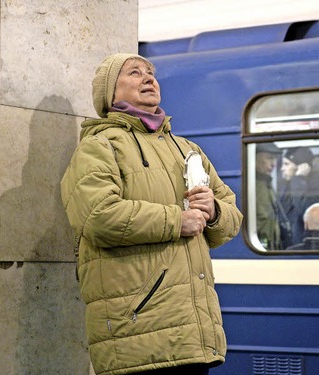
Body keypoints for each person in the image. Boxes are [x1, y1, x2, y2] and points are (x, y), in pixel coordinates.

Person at [60, 53, 243, 375]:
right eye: (134, 73)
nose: (148, 78)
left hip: (192, 332)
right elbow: (98, 217)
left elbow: (231, 217)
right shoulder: (99, 147)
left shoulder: (187, 149)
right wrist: (177, 220)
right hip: (137, 331)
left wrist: (213, 211)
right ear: (110, 94)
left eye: (150, 73)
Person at [279, 147, 319, 247]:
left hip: (303, 246)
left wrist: (298, 179)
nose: (282, 168)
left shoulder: (316, 187)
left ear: (302, 167)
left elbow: (303, 211)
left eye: (286, 164)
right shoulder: (289, 186)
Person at [255, 142, 289, 250]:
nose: (273, 164)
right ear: (254, 159)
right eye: (269, 158)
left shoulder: (267, 183)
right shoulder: (252, 186)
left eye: (275, 159)